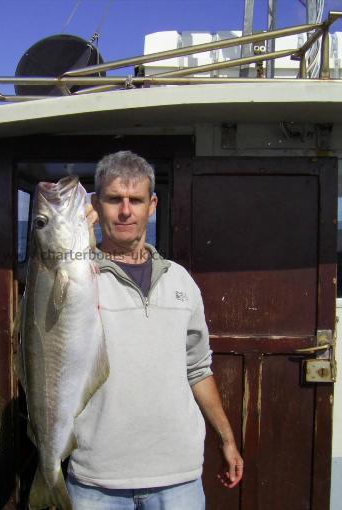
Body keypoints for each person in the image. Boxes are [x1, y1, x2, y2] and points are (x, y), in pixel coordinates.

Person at [68, 151, 243, 509]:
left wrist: (226, 437)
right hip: (96, 477)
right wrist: (76, 247)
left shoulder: (181, 280)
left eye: (136, 200)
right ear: (96, 205)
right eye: (115, 199)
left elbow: (198, 369)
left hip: (178, 477)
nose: (126, 211)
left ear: (153, 206)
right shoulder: (75, 278)